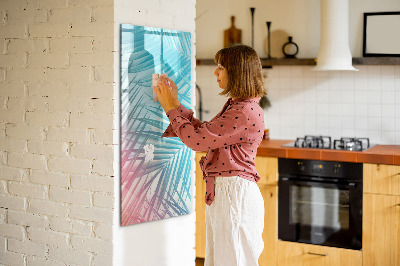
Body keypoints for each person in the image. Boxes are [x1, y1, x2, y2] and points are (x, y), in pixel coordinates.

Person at [153, 44, 266, 266]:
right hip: (228, 194)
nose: (215, 72)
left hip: (234, 196)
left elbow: (197, 141)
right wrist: (175, 103)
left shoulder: (243, 111)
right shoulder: (239, 106)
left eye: (221, 67)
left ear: (237, 72)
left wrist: (169, 108)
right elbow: (205, 133)